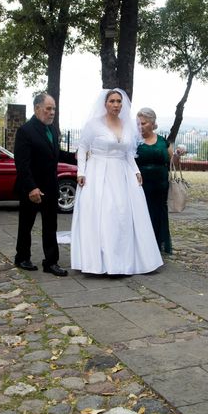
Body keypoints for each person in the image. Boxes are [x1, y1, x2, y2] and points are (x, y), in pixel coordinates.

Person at [70, 89, 163, 275]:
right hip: (98, 173)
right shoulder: (94, 124)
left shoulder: (128, 125)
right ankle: (101, 262)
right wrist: (81, 171)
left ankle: (122, 261)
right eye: (112, 101)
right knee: (104, 214)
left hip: (122, 174)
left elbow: (128, 152)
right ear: (105, 103)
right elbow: (82, 148)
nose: (116, 104)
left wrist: (136, 171)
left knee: (122, 215)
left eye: (119, 101)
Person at [13, 93, 77, 277]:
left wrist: (76, 157)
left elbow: (55, 154)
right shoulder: (25, 131)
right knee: (26, 224)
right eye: (48, 108)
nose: (52, 112)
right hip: (31, 188)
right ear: (37, 108)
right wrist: (31, 188)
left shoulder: (52, 130)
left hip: (50, 186)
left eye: (54, 109)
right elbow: (22, 164)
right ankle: (22, 257)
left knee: (51, 225)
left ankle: (51, 262)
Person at [135, 107, 178, 254]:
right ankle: (142, 245)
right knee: (143, 213)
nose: (140, 126)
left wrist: (177, 154)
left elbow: (173, 162)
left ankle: (158, 243)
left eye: (144, 123)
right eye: (139, 123)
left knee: (158, 213)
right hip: (141, 185)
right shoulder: (135, 141)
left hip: (160, 185)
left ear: (153, 124)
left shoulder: (162, 141)